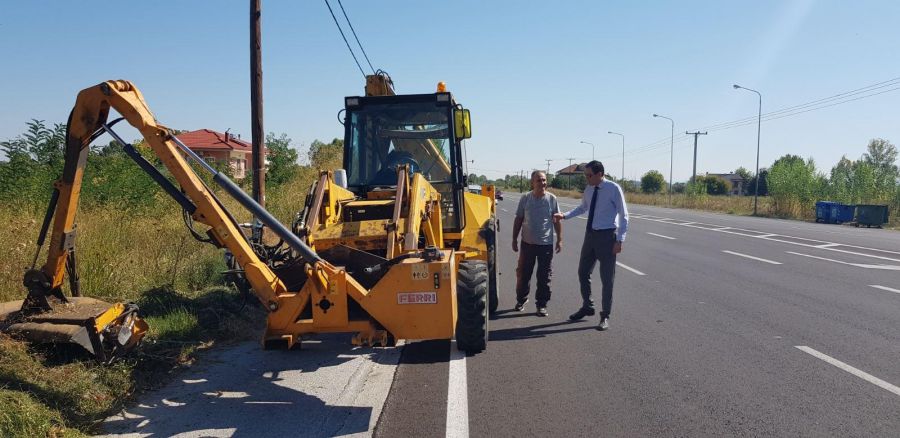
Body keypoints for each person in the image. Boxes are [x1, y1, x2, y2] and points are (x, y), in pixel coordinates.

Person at [553, 161, 628, 331]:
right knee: (583, 272)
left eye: (589, 175)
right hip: (591, 236)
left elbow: (624, 215)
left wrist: (620, 240)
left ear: (600, 173)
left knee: (607, 279)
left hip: (607, 236)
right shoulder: (589, 189)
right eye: (586, 175)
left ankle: (605, 315)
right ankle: (588, 306)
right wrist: (564, 216)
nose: (587, 178)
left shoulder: (613, 188)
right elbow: (583, 208)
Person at [512, 171, 562, 317]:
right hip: (527, 244)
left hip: (545, 245)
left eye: (544, 180)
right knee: (523, 274)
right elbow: (519, 219)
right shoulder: (525, 198)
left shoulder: (552, 199)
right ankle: (521, 300)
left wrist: (559, 239)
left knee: (544, 276)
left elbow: (557, 221)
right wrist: (514, 239)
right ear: (532, 183)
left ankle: (542, 305)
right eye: (539, 180)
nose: (542, 183)